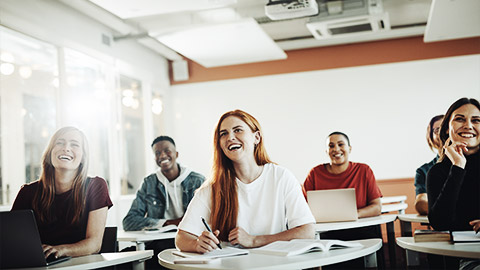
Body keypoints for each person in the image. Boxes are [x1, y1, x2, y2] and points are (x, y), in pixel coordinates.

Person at [176, 110, 315, 253]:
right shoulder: (212, 188)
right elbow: (181, 238)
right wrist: (197, 244)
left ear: (256, 137)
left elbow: (307, 231)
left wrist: (254, 240)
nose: (230, 137)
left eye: (237, 130)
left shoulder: (281, 177)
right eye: (223, 134)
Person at [11, 126, 112, 258]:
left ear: (83, 157)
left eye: (74, 144)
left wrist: (60, 250)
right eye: (60, 143)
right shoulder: (27, 192)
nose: (66, 148)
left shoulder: (96, 186)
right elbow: (12, 241)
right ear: (50, 153)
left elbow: (94, 244)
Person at [122, 136, 205, 267]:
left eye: (167, 151)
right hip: (156, 243)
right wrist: (168, 223)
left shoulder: (198, 181)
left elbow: (209, 219)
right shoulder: (149, 183)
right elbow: (129, 221)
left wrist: (184, 223)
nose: (162, 155)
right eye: (157, 153)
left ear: (176, 154)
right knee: (123, 258)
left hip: (190, 243)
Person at [427, 97, 480, 270]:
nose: (468, 126)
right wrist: (458, 166)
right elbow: (440, 223)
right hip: (467, 256)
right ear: (447, 128)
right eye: (459, 119)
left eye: (476, 120)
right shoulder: (437, 172)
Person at [414, 115, 444, 215]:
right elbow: (421, 203)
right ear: (430, 136)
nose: (443, 133)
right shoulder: (423, 171)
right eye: (437, 130)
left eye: (446, 127)